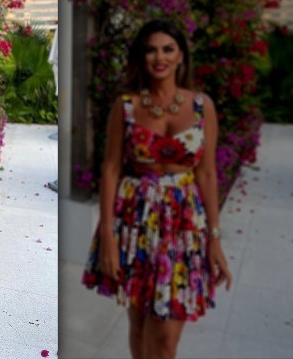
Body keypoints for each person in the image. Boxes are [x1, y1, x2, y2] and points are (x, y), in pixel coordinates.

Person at [81, 19, 232, 359]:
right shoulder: (128, 106)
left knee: (165, 338)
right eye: (151, 49)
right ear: (141, 56)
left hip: (183, 224)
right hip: (135, 220)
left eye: (168, 48)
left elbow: (207, 174)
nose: (159, 57)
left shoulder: (201, 106)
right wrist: (108, 235)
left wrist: (215, 237)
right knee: (138, 322)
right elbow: (112, 168)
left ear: (181, 56)